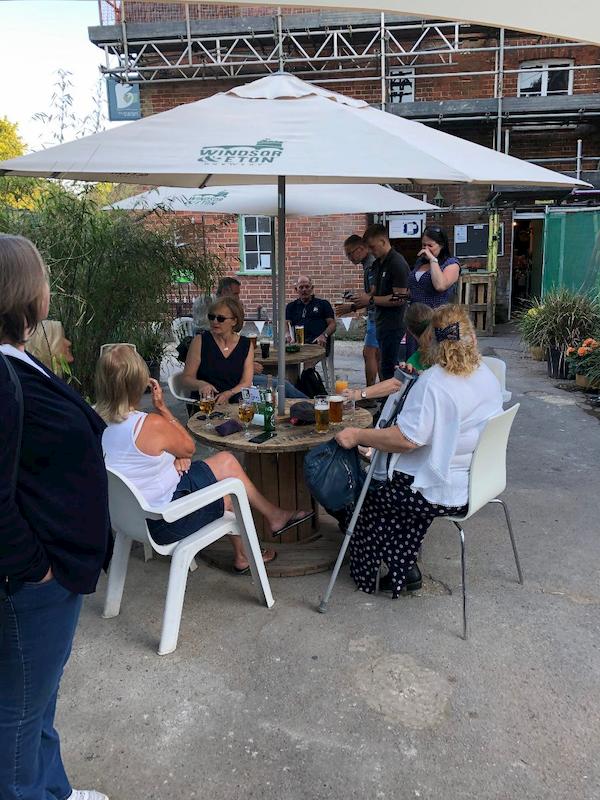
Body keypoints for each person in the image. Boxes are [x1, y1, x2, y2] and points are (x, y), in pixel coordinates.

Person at [0, 234, 111, 800]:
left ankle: (54, 792)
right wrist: (35, 569)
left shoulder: (16, 359)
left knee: (37, 698)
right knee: (18, 714)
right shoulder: (1, 376)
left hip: (51, 571)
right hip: (33, 581)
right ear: (25, 293)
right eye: (42, 277)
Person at [335, 304, 503, 598]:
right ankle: (406, 568)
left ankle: (375, 574)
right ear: (472, 338)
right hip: (474, 480)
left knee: (365, 497)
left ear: (430, 341)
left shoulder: (434, 382)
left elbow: (407, 439)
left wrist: (359, 435)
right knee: (388, 489)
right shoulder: (487, 374)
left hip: (439, 488)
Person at [96, 346, 313, 571]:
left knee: (227, 461)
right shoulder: (149, 424)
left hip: (125, 517)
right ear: (138, 382)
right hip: (164, 522)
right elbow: (189, 447)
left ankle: (269, 521)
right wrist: (163, 409)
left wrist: (174, 459)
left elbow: (135, 462)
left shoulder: (95, 424)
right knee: (230, 490)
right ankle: (250, 549)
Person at [348, 224, 410, 381]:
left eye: (372, 247)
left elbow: (400, 298)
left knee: (389, 368)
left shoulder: (397, 263)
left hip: (394, 324)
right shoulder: (379, 263)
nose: (370, 251)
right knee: (383, 364)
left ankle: (389, 402)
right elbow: (374, 291)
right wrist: (357, 303)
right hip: (381, 322)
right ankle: (382, 400)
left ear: (383, 241)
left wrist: (370, 299)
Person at [345, 303, 433, 404]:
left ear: (408, 329)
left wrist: (358, 394)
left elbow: (394, 384)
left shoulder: (416, 360)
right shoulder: (447, 347)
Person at [182, 296, 253, 405]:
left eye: (221, 318)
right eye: (211, 317)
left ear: (234, 321)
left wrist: (229, 393)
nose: (215, 321)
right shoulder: (200, 341)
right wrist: (201, 384)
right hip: (206, 402)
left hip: (234, 401)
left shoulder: (245, 344)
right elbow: (186, 379)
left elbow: (246, 382)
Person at [406, 225, 460, 358]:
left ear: (441, 245)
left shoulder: (451, 264)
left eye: (430, 245)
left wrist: (433, 261)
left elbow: (440, 285)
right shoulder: (420, 262)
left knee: (437, 359)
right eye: (423, 245)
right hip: (417, 321)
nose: (426, 249)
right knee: (415, 360)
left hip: (439, 320)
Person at [338, 235, 380, 386]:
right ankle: (381, 393)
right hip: (375, 314)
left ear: (361, 249)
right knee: (377, 355)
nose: (349, 258)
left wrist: (352, 306)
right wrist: (356, 297)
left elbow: (374, 294)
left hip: (377, 315)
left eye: (350, 253)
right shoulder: (368, 263)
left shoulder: (371, 265)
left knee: (369, 353)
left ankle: (370, 395)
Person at [285, 275, 336, 350]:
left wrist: (324, 335)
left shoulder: (323, 304)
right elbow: (286, 323)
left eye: (307, 287)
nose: (304, 290)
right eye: (301, 287)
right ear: (296, 289)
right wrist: (287, 334)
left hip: (318, 344)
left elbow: (332, 324)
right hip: (298, 345)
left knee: (304, 360)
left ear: (312, 288)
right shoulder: (291, 306)